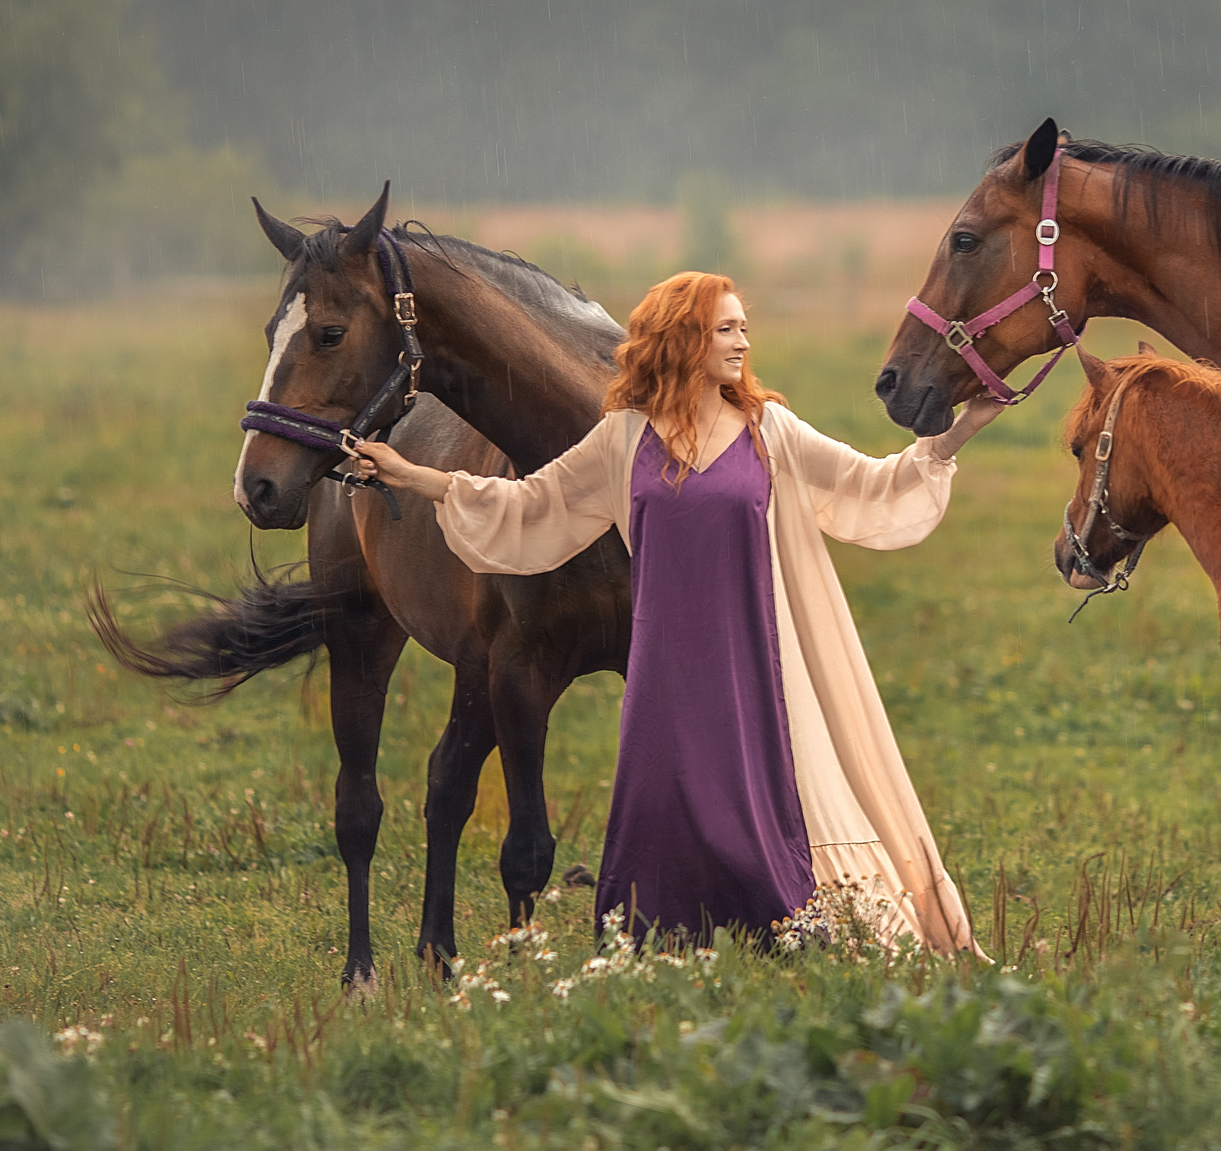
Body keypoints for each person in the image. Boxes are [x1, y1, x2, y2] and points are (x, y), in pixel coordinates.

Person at [349, 271, 996, 953]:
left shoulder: (768, 428)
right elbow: (531, 503)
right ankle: (650, 935)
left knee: (755, 803)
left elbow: (870, 483)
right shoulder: (622, 439)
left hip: (748, 657)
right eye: (727, 328)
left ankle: (776, 926)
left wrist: (956, 436)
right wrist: (409, 473)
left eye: (744, 326)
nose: (743, 340)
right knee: (660, 809)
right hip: (660, 666)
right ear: (684, 337)